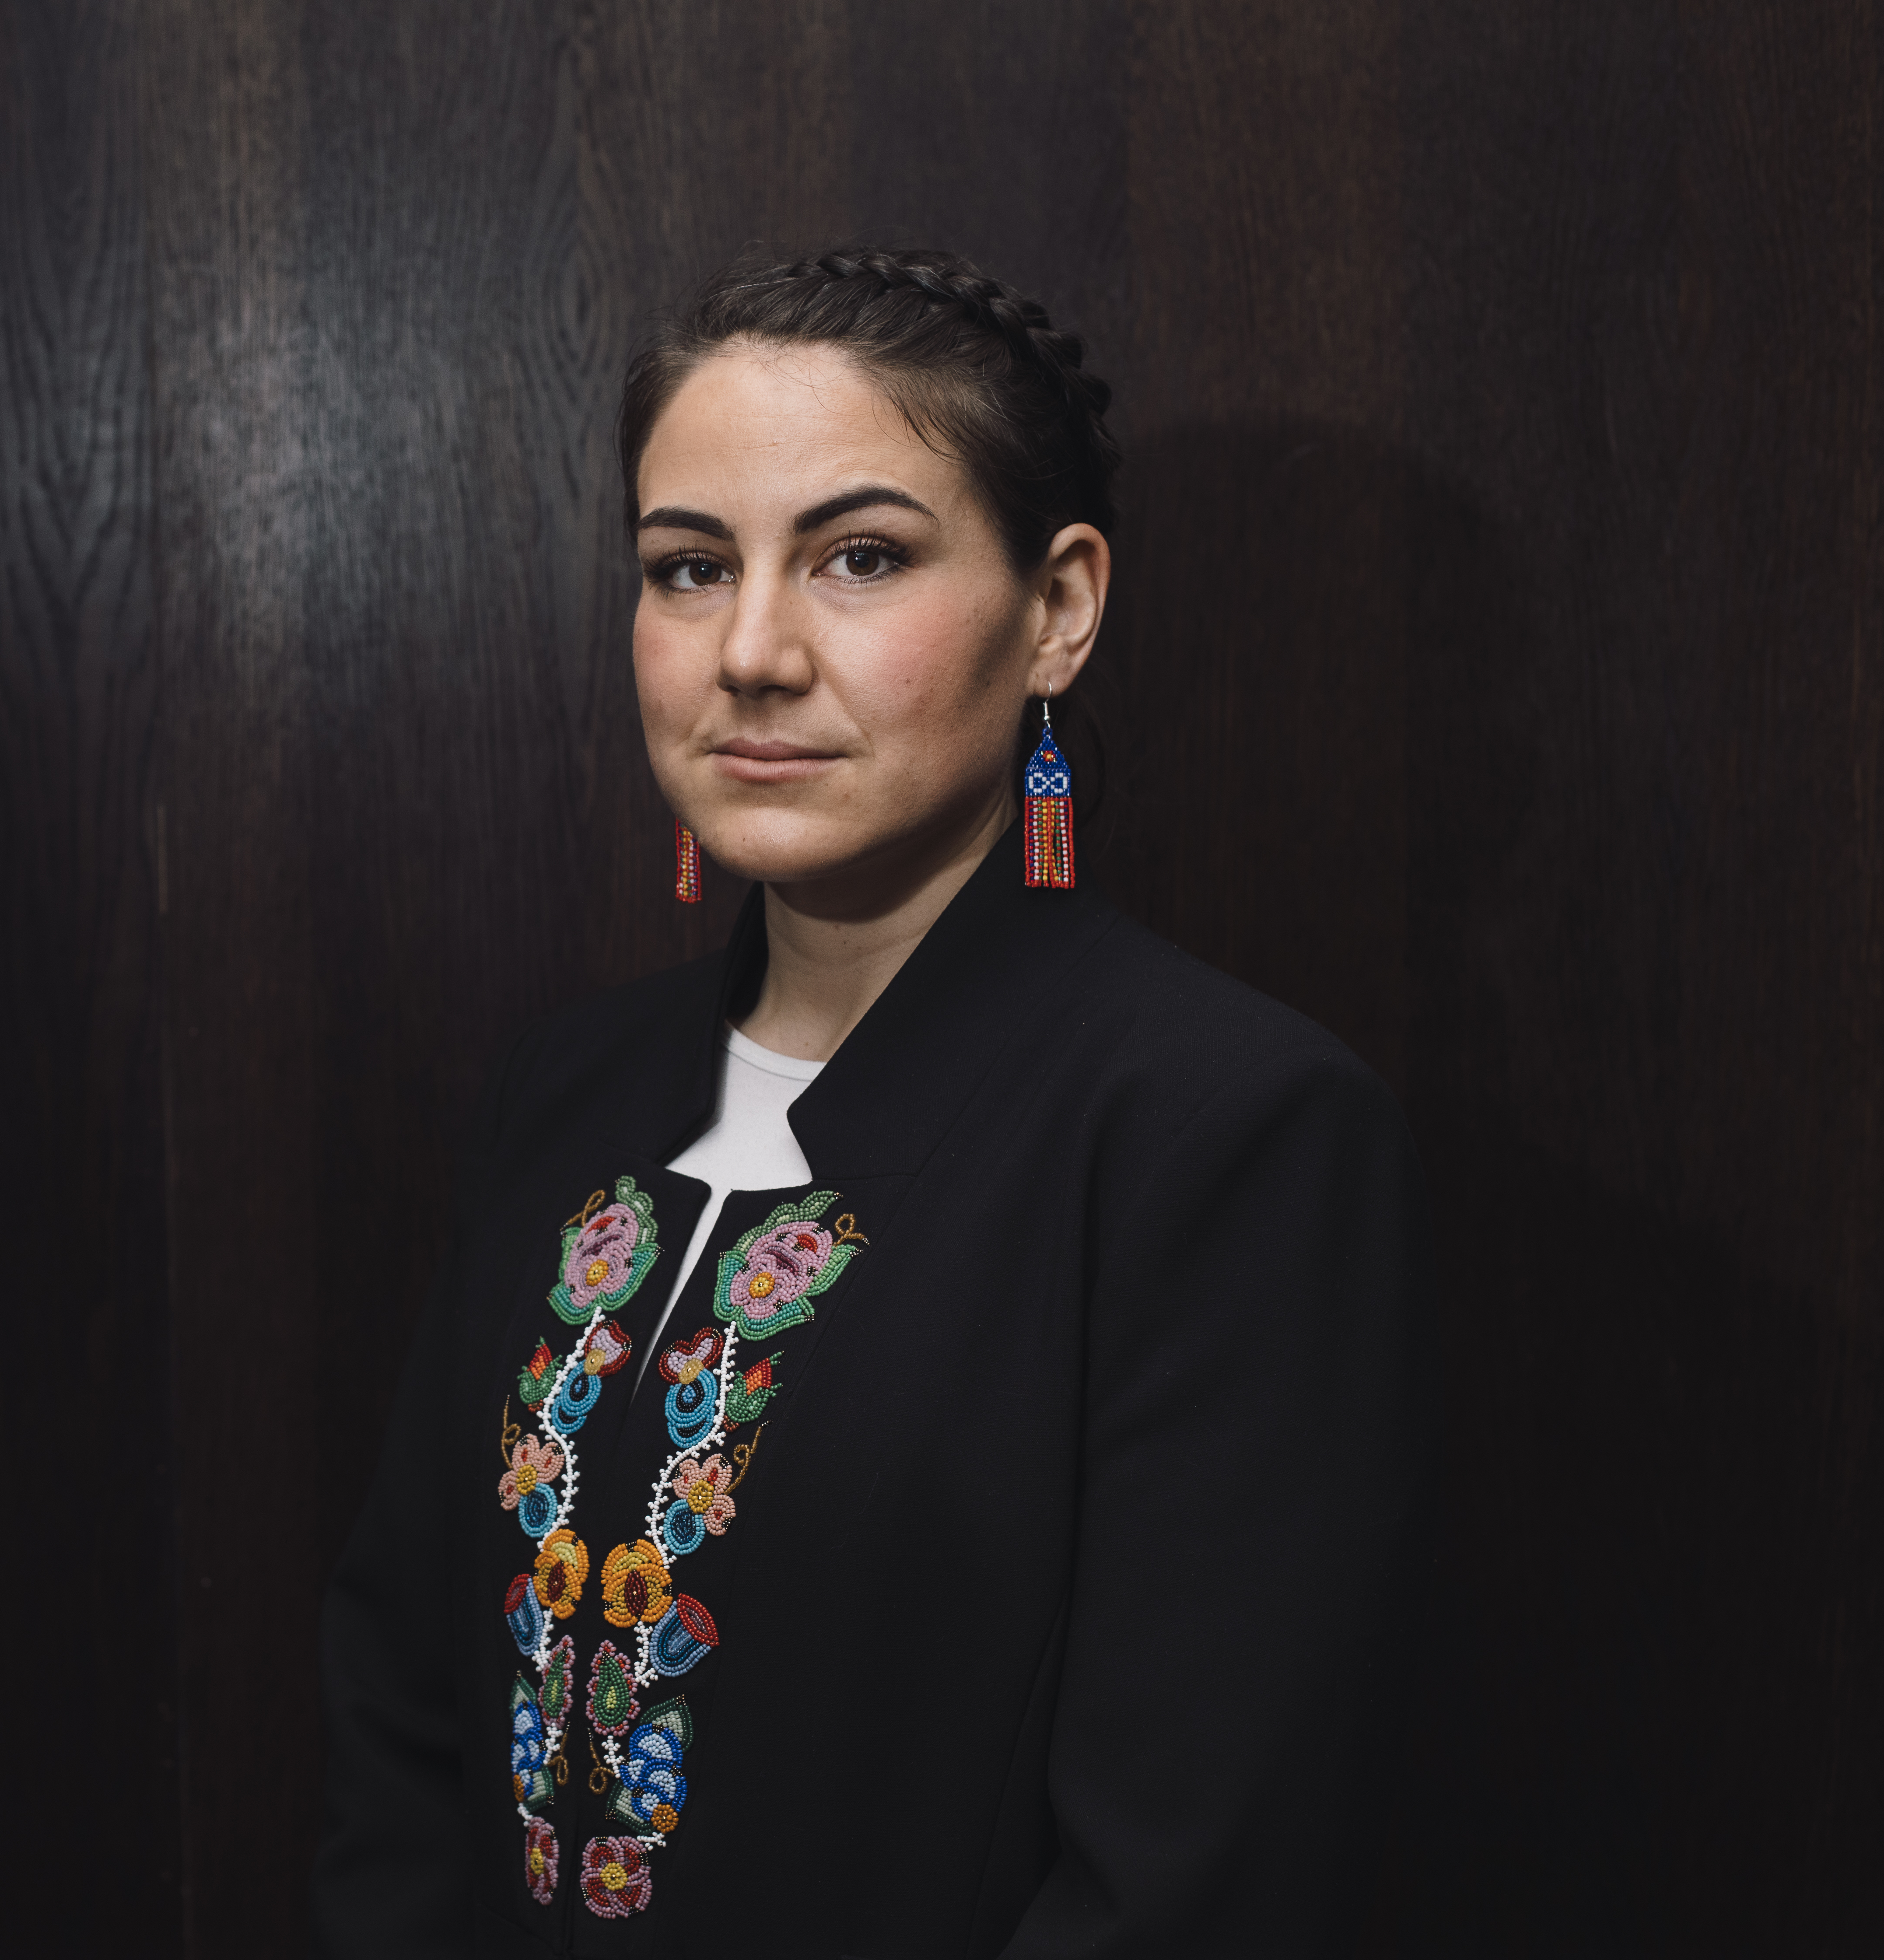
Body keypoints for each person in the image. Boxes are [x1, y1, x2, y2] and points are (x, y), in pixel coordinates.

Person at [315, 247, 1432, 1957]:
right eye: (688, 569)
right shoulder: (566, 1092)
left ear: (1059, 605)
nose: (750, 652)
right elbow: (403, 1712)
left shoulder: (1224, 1136)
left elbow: (1202, 1879)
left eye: (860, 558)